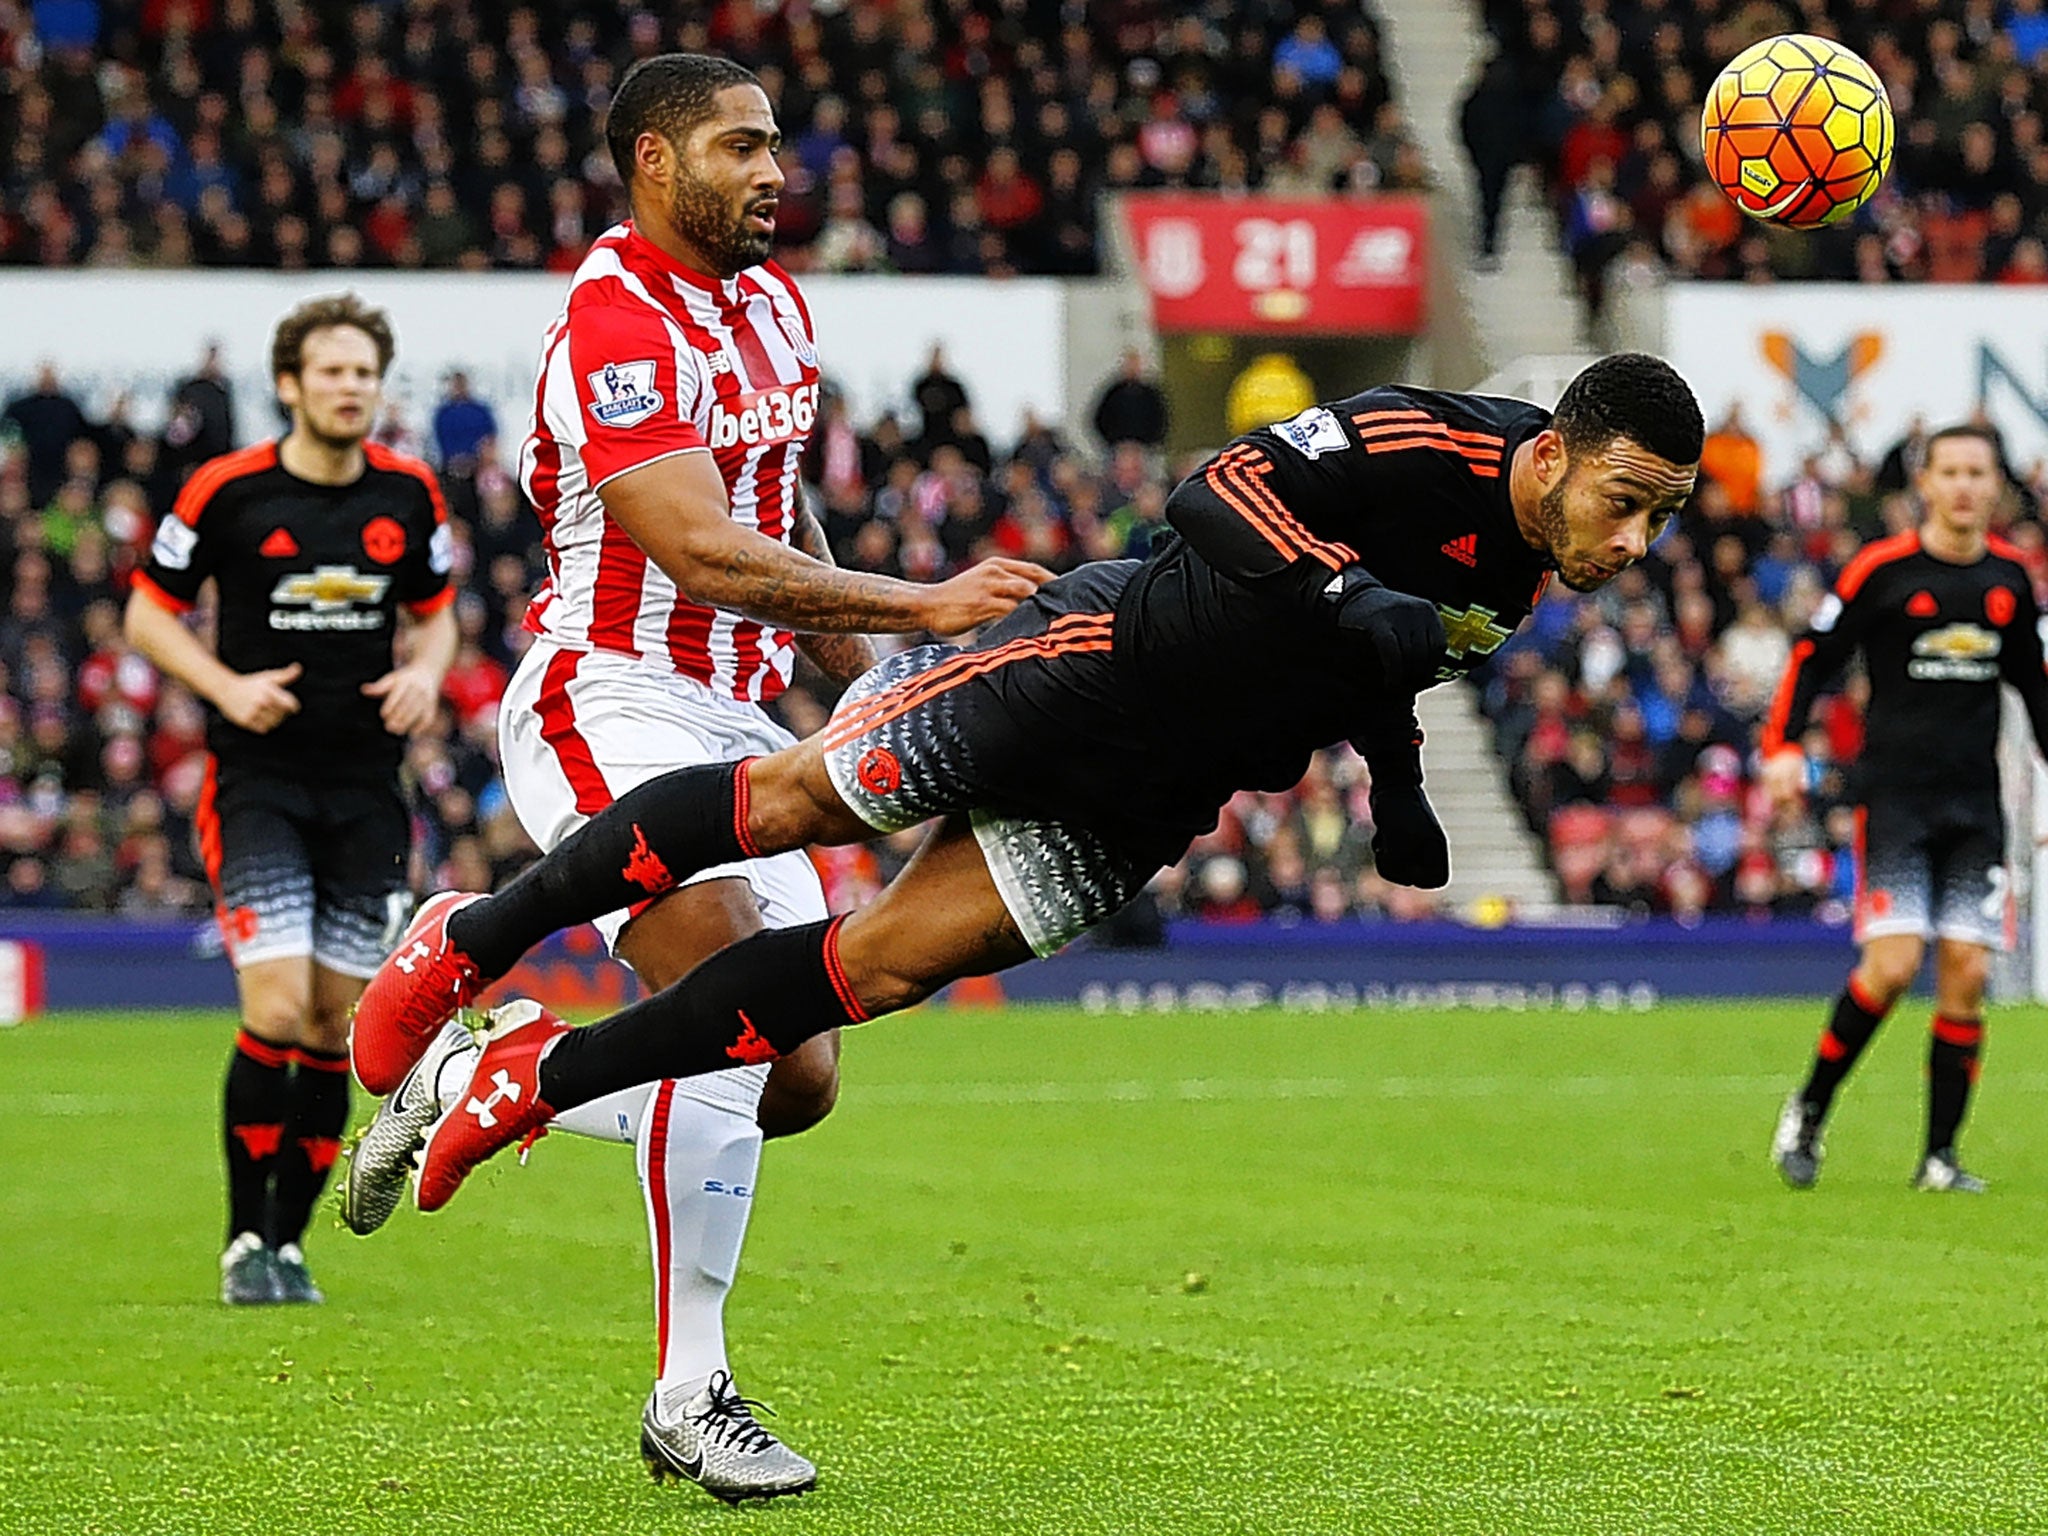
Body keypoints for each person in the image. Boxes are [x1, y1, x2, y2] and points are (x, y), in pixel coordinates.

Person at [352, 354, 1701, 1239]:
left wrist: (1397, 782)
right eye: (1627, 503)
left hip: (1152, 796)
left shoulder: (1525, 576)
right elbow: (1216, 489)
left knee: (873, 976)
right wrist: (1340, 590)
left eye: (1662, 522)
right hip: (1080, 665)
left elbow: (1381, 661)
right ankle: (472, 938)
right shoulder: (1424, 438)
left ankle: (533, 1076)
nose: (1636, 545)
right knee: (796, 804)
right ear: (1551, 459)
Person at [337, 52, 1045, 1506]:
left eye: (777, 142)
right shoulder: (613, 317)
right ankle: (691, 1391)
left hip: (738, 726)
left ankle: (494, 1059)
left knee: (797, 1076)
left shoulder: (776, 309)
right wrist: (931, 607)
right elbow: (699, 551)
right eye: (740, 146)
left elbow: (782, 548)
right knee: (725, 1026)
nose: (774, 169)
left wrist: (901, 688)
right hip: (611, 701)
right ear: (654, 164)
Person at [122, 294, 457, 1305]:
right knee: (272, 1005)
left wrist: (428, 673)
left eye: (365, 372)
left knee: (327, 1027)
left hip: (366, 788)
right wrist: (223, 688)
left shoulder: (409, 496)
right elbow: (147, 613)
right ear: (289, 384)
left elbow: (436, 615)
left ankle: (286, 1244)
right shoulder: (226, 491)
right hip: (257, 781)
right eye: (333, 371)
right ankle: (239, 1242)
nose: (351, 387)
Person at [1762, 425, 2048, 1193]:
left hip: (1976, 807)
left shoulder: (2011, 581)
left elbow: (2035, 688)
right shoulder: (1881, 570)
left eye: (1976, 472)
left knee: (1965, 972)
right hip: (1895, 800)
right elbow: (1811, 658)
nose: (1962, 485)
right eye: (1948, 471)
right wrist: (1783, 745)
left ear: (1996, 488)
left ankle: (1939, 1159)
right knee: (1891, 967)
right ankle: (1810, 1110)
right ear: (1924, 484)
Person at [1090, 349, 1168, 452]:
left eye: (1136, 364)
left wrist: (1151, 442)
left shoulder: (1151, 394)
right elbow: (1100, 418)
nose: (1133, 368)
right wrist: (1112, 441)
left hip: (1145, 449)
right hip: (1117, 449)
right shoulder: (1114, 393)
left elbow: (1161, 420)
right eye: (1129, 364)